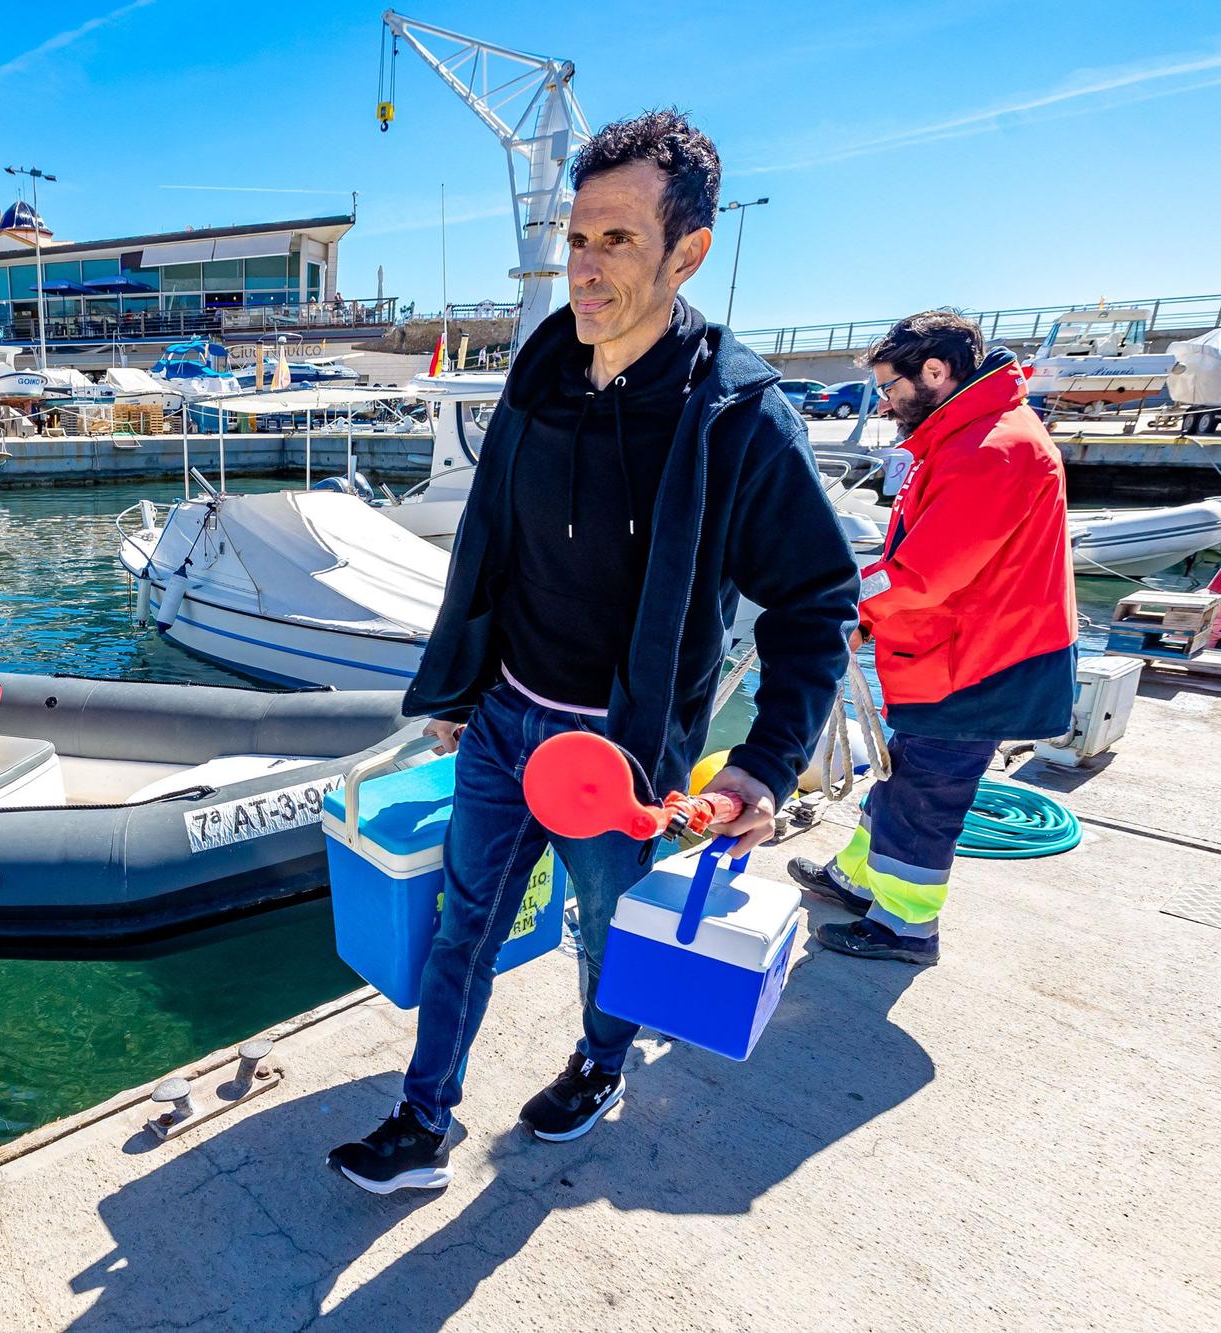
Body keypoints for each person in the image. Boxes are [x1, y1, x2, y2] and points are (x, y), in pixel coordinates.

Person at [327, 110, 859, 1195]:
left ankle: (599, 1061)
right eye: (577, 237)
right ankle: (421, 1121)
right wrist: (461, 687)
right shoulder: (539, 367)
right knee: (459, 929)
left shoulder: (738, 417)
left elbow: (814, 598)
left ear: (687, 251)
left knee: (609, 935)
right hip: (503, 722)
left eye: (617, 240)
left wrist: (761, 761)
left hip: (621, 753)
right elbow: (491, 545)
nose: (584, 264)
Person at [789, 312, 1077, 965]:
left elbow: (926, 572)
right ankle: (859, 880)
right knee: (902, 775)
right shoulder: (969, 435)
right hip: (955, 652)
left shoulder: (993, 451)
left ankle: (904, 927)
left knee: (926, 792)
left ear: (937, 374)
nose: (885, 402)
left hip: (981, 664)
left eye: (891, 387)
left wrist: (843, 601)